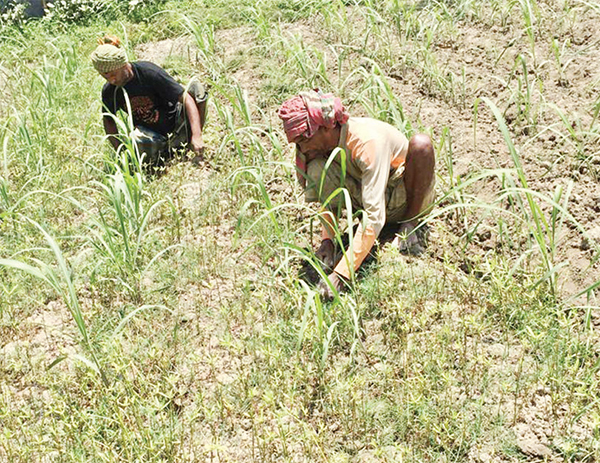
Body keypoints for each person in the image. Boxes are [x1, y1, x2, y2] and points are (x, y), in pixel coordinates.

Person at [278, 89, 436, 299]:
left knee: (421, 145)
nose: (302, 149)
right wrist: (328, 240)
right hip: (373, 198)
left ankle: (410, 224)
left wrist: (341, 275)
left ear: (324, 129)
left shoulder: (366, 142)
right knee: (317, 167)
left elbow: (373, 216)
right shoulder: (325, 147)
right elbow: (329, 192)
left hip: (404, 199)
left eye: (303, 141)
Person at [91, 36, 208, 165]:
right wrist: (121, 151)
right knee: (136, 139)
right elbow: (109, 121)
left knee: (197, 90)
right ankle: (162, 156)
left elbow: (186, 99)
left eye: (114, 74)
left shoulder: (149, 73)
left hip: (178, 126)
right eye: (106, 77)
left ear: (123, 65)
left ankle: (192, 143)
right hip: (151, 138)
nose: (112, 80)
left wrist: (197, 135)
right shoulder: (110, 91)